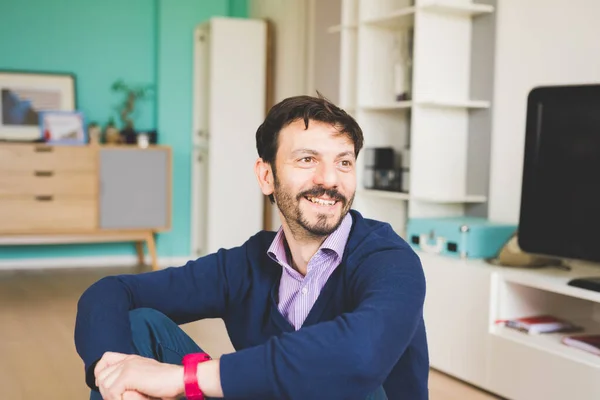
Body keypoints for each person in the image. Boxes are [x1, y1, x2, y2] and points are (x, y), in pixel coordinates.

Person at [74, 94, 429, 400]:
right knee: (139, 327)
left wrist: (186, 378)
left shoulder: (390, 261)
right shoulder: (246, 265)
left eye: (344, 162)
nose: (330, 179)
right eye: (308, 160)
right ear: (266, 176)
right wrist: (117, 373)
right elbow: (111, 292)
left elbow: (360, 355)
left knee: (348, 374)